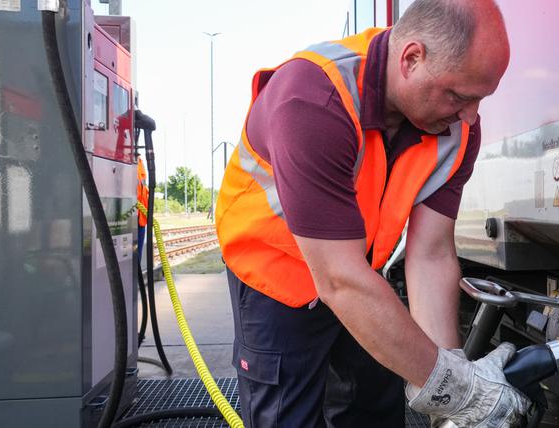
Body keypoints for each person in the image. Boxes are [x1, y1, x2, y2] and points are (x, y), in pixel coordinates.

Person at [215, 0, 530, 426]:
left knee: (374, 404)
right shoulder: (315, 100)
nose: (470, 115)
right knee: (288, 414)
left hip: (358, 272)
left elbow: (431, 253)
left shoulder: (457, 129)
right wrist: (460, 392)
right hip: (278, 278)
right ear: (411, 58)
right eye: (458, 95)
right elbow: (338, 280)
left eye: (478, 100)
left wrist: (448, 384)